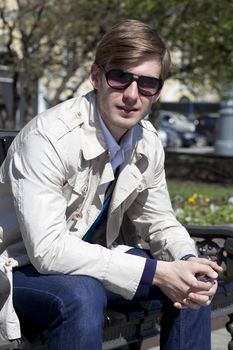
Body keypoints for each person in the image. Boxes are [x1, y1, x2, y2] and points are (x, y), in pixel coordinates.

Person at [0, 19, 222, 350]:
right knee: (81, 294)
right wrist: (156, 273)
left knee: (191, 285)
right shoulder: (49, 138)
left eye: (147, 84)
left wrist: (187, 260)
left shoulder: (146, 141)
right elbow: (48, 252)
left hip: (87, 262)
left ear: (158, 92)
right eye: (120, 78)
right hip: (18, 270)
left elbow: (160, 222)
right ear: (96, 77)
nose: (132, 95)